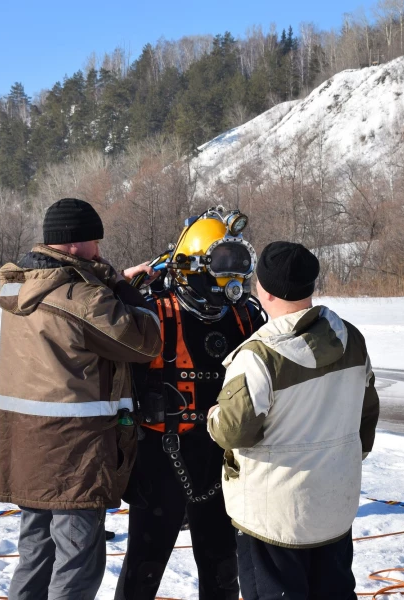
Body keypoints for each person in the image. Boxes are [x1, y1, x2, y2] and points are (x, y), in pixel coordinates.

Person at [0, 197, 163, 600]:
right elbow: (146, 340)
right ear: (73, 245)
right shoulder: (85, 298)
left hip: (25, 447)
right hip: (74, 452)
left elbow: (70, 307)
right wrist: (121, 286)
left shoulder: (21, 285)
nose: (99, 250)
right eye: (94, 243)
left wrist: (105, 281)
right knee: (78, 561)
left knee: (36, 552)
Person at [208, 241, 380, 600]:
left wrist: (213, 416)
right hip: (334, 510)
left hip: (274, 521)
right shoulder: (351, 339)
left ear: (264, 291)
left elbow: (233, 431)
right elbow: (366, 415)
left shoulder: (258, 357)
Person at [115, 207, 267, 600]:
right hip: (159, 458)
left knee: (222, 569)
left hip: (222, 457)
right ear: (193, 266)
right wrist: (118, 287)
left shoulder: (246, 317)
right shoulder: (153, 312)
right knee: (144, 569)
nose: (230, 280)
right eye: (221, 266)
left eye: (237, 267)